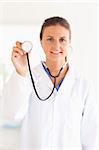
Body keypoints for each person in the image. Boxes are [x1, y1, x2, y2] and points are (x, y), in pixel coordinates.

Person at [1, 16, 98, 150]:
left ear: (69, 43)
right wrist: (20, 72)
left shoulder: (83, 85)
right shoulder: (28, 77)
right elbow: (11, 114)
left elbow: (91, 137)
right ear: (41, 42)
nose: (56, 45)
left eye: (62, 40)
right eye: (49, 39)